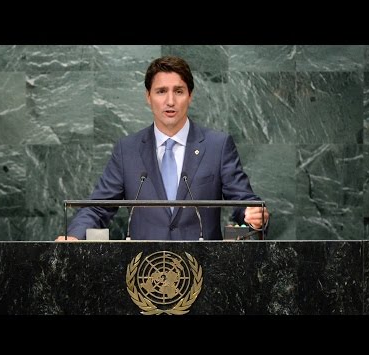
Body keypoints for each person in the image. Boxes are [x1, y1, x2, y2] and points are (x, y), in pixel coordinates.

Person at [56, 55, 269, 241]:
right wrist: (75, 236)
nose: (170, 101)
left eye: (178, 91)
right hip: (144, 273)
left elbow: (246, 204)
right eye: (161, 91)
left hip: (204, 272)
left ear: (190, 96)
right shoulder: (127, 150)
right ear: (148, 97)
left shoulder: (218, 146)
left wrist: (255, 215)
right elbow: (98, 207)